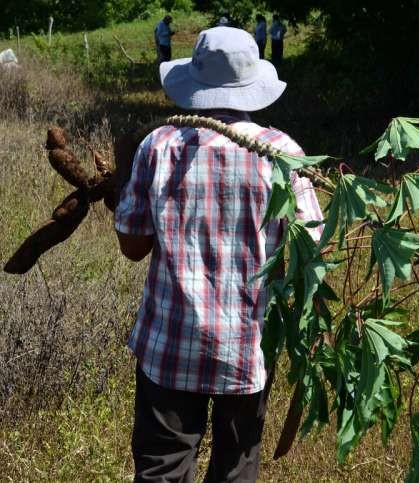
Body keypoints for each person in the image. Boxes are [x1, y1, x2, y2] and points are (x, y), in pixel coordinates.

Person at [114, 26, 323, 482]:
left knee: (161, 469)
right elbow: (310, 249)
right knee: (236, 469)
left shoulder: (160, 145)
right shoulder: (283, 154)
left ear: (194, 82)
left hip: (169, 345)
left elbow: (131, 246)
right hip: (246, 349)